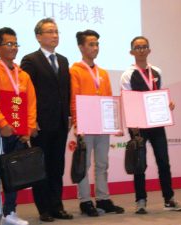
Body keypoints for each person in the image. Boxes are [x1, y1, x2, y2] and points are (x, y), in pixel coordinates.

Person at [120, 36, 181, 214]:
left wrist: (167, 105)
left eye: (144, 47)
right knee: (139, 164)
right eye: (137, 47)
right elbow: (128, 102)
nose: (141, 50)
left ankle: (169, 199)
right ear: (132, 52)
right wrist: (134, 125)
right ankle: (140, 201)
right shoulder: (127, 74)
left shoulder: (157, 71)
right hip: (138, 126)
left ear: (149, 50)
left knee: (163, 162)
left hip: (157, 124)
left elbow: (158, 96)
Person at [0, 27, 37, 225]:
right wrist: (2, 123)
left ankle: (9, 212)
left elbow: (30, 103)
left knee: (14, 172)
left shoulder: (23, 75)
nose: (13, 48)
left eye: (15, 44)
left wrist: (28, 128)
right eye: (9, 44)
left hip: (18, 130)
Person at [20, 18, 73, 222]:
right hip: (40, 123)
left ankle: (57, 206)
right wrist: (31, 120)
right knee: (41, 167)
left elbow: (66, 91)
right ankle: (43, 209)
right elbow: (26, 93)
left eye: (57, 31)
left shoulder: (63, 60)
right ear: (38, 36)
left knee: (56, 166)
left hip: (60, 122)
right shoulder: (30, 60)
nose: (55, 35)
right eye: (50, 31)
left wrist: (68, 115)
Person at [69, 29, 125, 217]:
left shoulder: (103, 72)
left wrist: (114, 123)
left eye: (97, 44)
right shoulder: (74, 71)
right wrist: (78, 124)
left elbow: (109, 99)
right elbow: (74, 99)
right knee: (83, 164)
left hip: (102, 125)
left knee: (102, 163)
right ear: (81, 47)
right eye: (91, 44)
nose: (95, 47)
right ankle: (85, 201)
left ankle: (103, 198)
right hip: (85, 126)